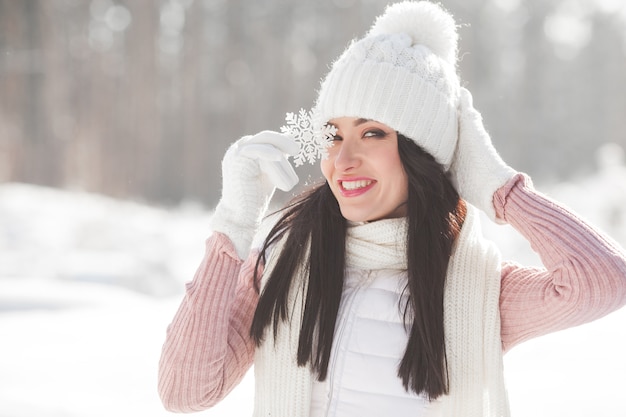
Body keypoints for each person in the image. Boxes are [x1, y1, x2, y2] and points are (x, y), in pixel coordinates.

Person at [157, 2, 626, 416]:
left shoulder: (479, 292)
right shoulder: (278, 268)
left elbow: (601, 283)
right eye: (333, 135)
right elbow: (184, 392)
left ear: (423, 153)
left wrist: (500, 188)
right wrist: (234, 227)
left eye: (372, 133)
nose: (343, 160)